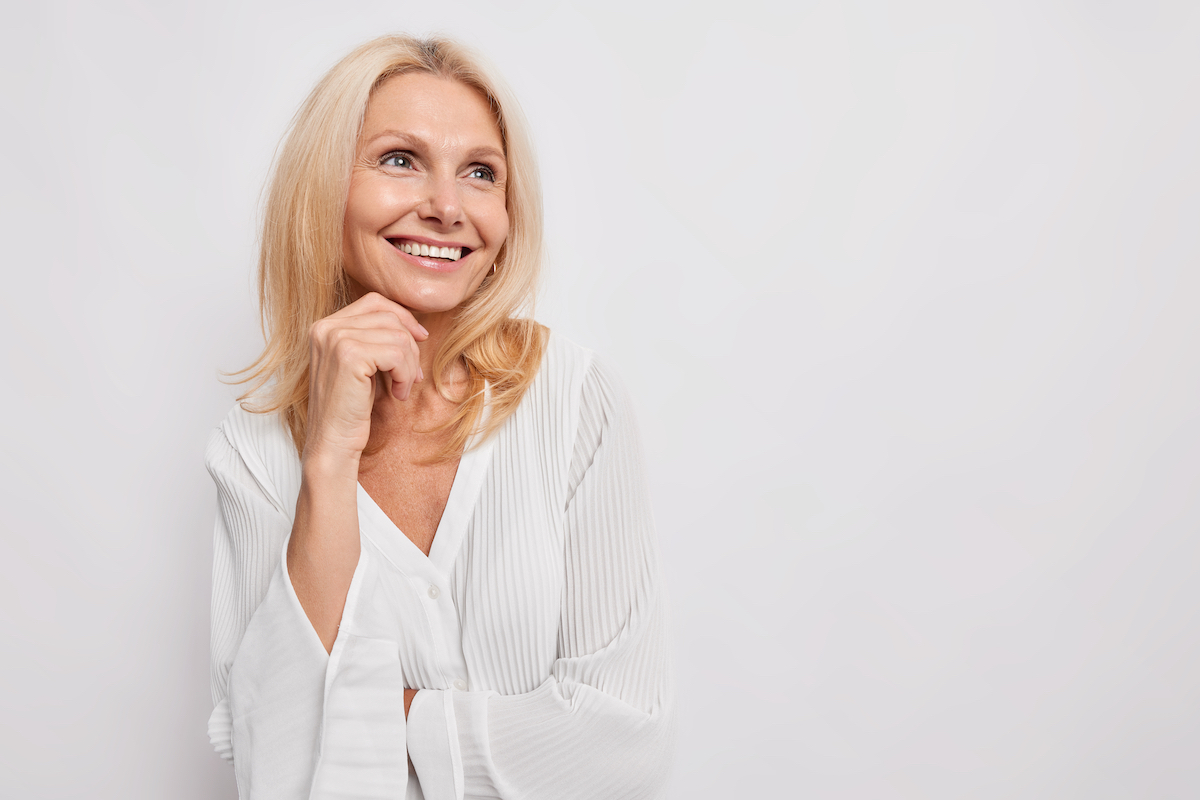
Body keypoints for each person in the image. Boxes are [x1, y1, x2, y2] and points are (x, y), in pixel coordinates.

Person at [204, 34, 675, 799]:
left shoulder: (575, 403)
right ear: (326, 188)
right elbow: (276, 769)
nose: (447, 207)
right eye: (399, 159)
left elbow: (627, 747)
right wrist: (327, 461)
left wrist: (373, 721)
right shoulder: (255, 450)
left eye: (481, 174)